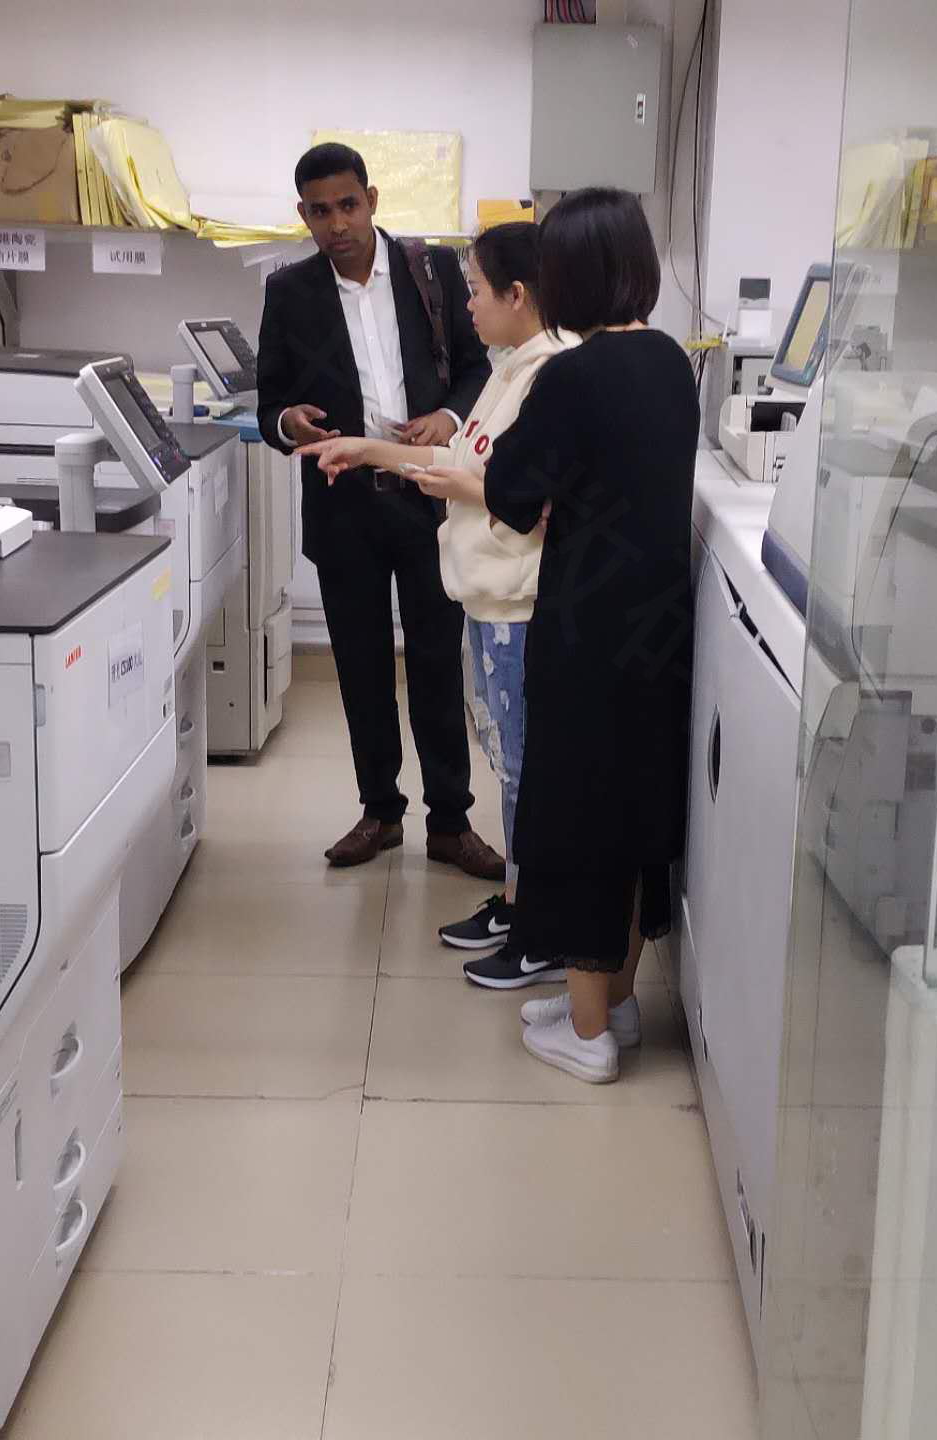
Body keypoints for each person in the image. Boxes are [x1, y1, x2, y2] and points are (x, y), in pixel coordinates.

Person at [308, 223, 578, 988]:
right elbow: (463, 458)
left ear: (516, 295)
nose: (467, 305)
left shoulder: (552, 374)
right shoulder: (507, 369)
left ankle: (538, 925)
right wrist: (371, 450)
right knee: (511, 767)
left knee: (525, 773)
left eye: (477, 290)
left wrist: (459, 485)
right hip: (488, 601)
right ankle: (520, 901)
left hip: (519, 605)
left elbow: (532, 496)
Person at [481, 187, 699, 1084]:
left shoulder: (571, 376)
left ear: (567, 276)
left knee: (575, 819)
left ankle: (585, 1034)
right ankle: (616, 1004)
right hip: (660, 627)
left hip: (586, 631)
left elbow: (509, 493)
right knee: (636, 813)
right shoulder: (672, 363)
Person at [257, 142, 504, 879]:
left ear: (371, 199)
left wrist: (448, 419)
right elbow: (270, 401)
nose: (336, 224)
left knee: (436, 664)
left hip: (428, 498)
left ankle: (451, 822)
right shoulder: (289, 291)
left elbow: (475, 369)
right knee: (361, 667)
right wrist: (288, 423)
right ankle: (380, 812)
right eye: (319, 212)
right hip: (343, 507)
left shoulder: (432, 271)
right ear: (303, 215)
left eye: (348, 205)